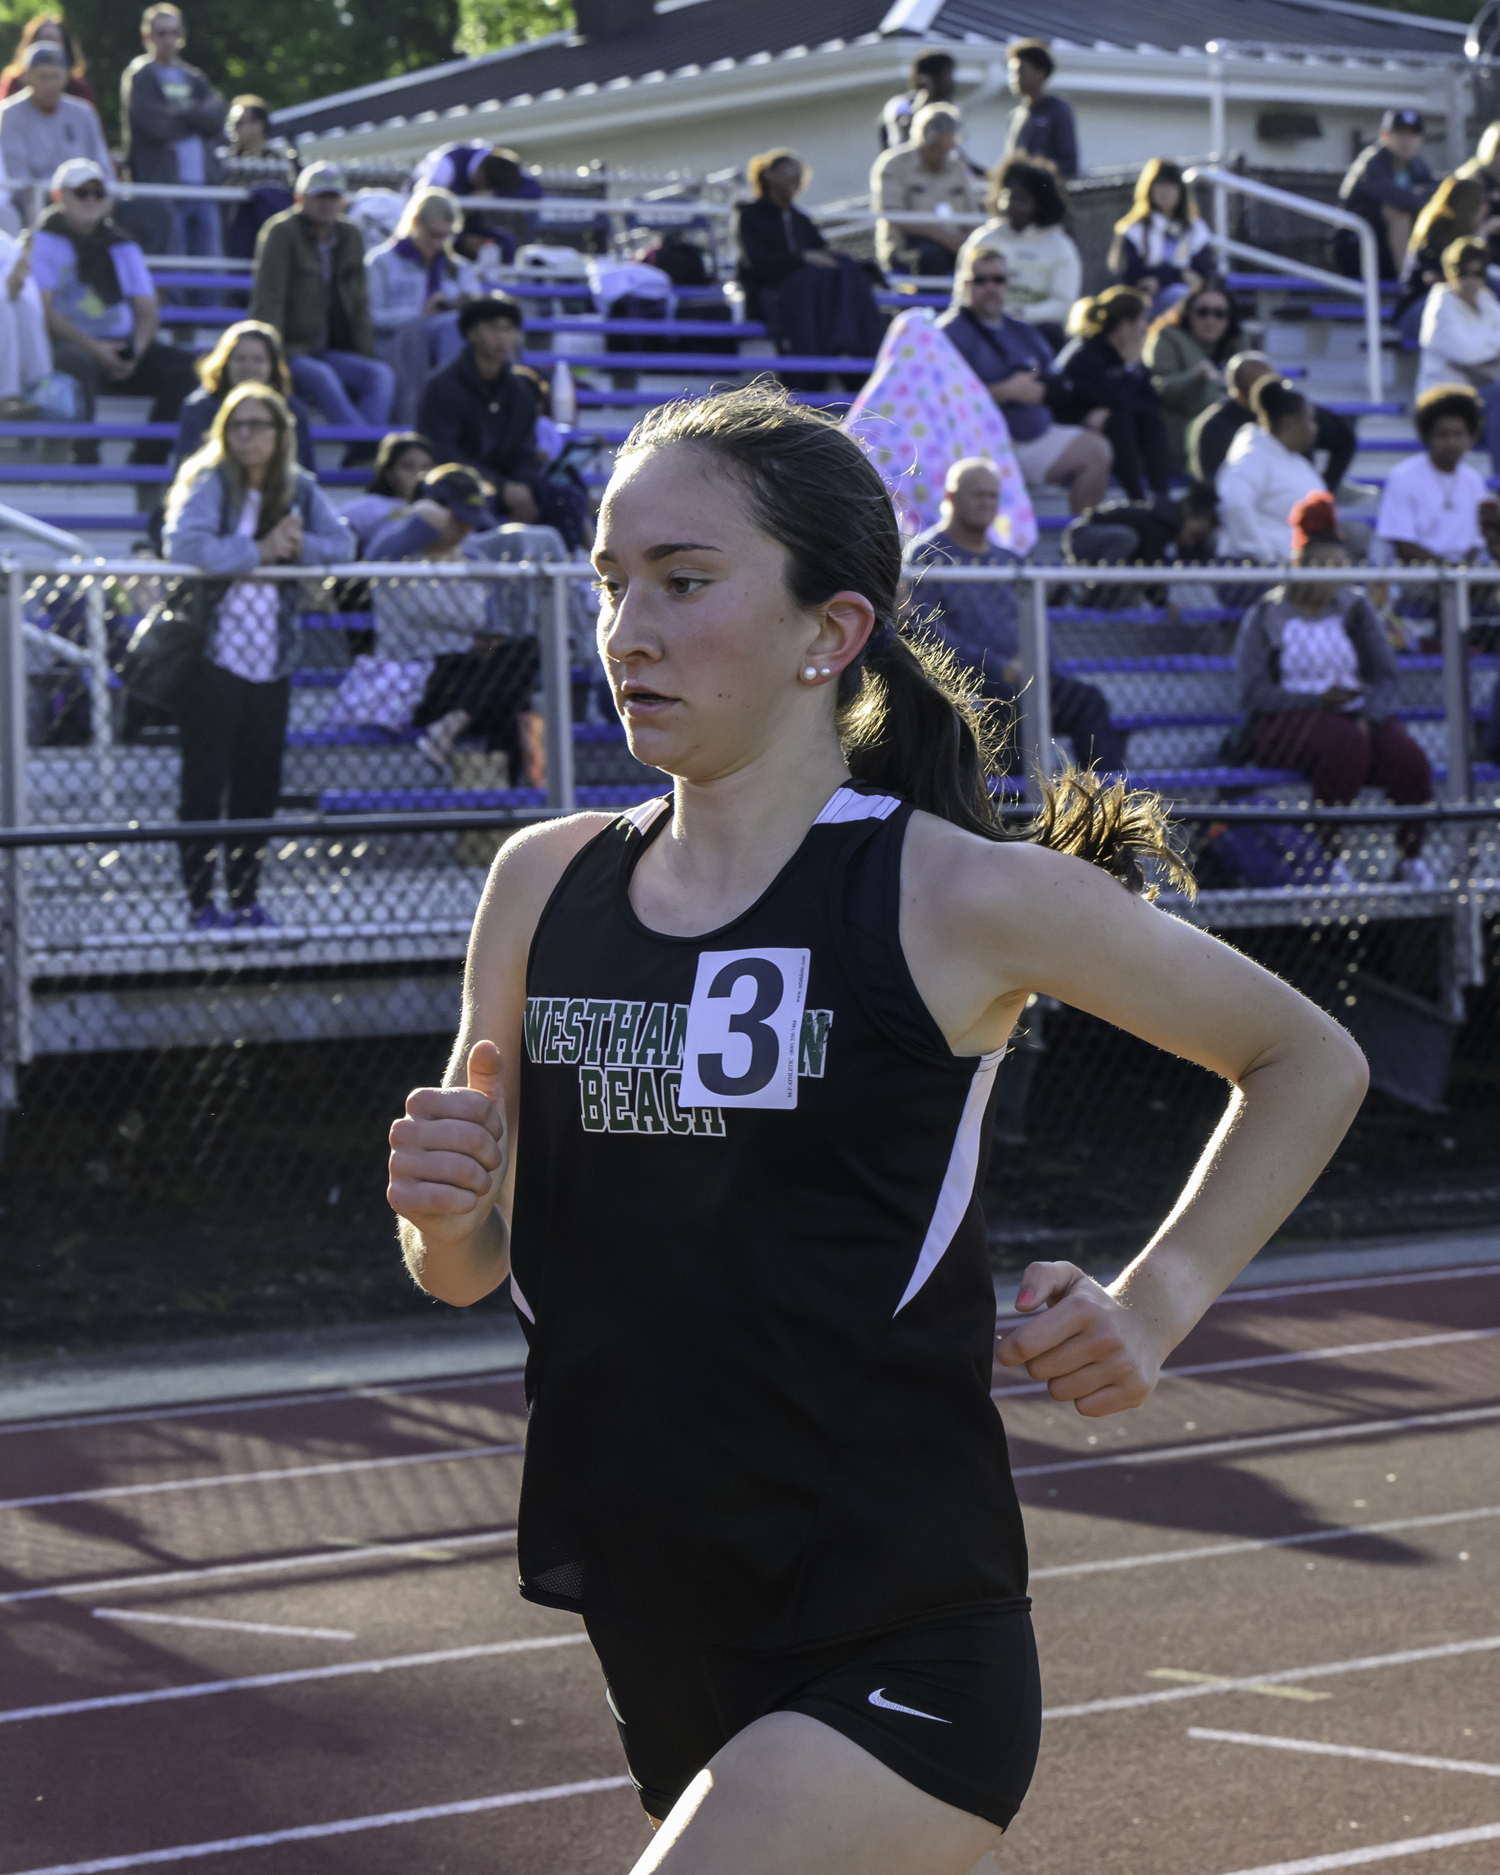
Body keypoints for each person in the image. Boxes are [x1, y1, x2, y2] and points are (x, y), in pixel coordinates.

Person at [387, 382, 1369, 1873]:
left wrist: (1156, 1302)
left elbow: (1305, 1053)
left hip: (895, 1624)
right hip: (657, 1604)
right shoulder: (542, 882)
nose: (627, 626)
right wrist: (445, 1212)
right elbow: (465, 1270)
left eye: (685, 580)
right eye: (610, 580)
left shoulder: (955, 891)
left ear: (828, 633)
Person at [162, 381, 352, 930]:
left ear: (279, 433)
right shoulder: (208, 480)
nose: (245, 435)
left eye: (257, 425)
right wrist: (260, 551)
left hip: (273, 661)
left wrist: (296, 547)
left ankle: (244, 898)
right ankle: (201, 904)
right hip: (212, 658)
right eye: (236, 425)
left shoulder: (299, 487)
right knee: (203, 786)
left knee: (257, 788)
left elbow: (342, 547)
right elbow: (184, 545)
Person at [1236, 492, 1435, 887]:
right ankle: (1328, 858)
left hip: (1354, 715)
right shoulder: (1267, 614)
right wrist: (1317, 701)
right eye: (1321, 566)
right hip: (1285, 721)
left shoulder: (1356, 609)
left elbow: (1386, 675)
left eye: (1337, 565)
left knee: (1409, 758)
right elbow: (1253, 692)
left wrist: (1366, 715)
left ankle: (1411, 856)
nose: (1331, 575)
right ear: (1301, 566)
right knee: (1345, 745)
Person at [909, 457, 1126, 774]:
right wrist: (997, 667)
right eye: (977, 495)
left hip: (1029, 680)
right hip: (974, 686)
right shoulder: (928, 555)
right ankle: (1020, 814)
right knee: (1011, 711)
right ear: (952, 498)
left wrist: (1035, 660)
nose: (987, 502)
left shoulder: (1008, 558)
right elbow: (928, 629)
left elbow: (1037, 619)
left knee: (1088, 701)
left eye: (993, 495)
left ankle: (1107, 806)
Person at [355, 464, 543, 779]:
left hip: (467, 679)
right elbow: (373, 560)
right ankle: (506, 801)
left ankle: (451, 728)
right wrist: (422, 518)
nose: (465, 529)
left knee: (525, 651)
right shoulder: (399, 551)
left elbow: (492, 627)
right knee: (507, 699)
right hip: (416, 680)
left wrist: (489, 641)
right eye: (457, 518)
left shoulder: (474, 561)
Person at [33, 158, 198, 474]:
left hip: (121, 347)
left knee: (190, 369)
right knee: (74, 363)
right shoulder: (42, 242)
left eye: (99, 192)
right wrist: (96, 350)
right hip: (71, 346)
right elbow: (45, 312)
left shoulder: (122, 245)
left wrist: (133, 352)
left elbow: (147, 311)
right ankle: (85, 462)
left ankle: (147, 460)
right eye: (82, 192)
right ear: (60, 196)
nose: (91, 199)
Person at [935, 248, 1111, 513]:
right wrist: (1002, 391)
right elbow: (938, 399)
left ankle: (1083, 542)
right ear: (965, 285)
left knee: (1097, 450)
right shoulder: (945, 333)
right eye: (980, 280)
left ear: (1007, 284)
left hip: (1032, 437)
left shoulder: (1023, 330)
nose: (990, 287)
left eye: (998, 279)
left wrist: (1046, 392)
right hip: (976, 445)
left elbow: (1058, 384)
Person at [418, 294, 589, 548]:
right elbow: (442, 452)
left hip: (513, 487)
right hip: (457, 485)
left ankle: (569, 577)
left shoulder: (520, 390)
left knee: (567, 497)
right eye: (492, 327)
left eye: (508, 328)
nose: (501, 337)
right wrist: (501, 487)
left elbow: (525, 451)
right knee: (474, 502)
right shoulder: (442, 386)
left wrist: (522, 487)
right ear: (471, 333)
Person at [248, 162, 395, 435]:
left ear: (343, 202)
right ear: (300, 199)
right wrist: (273, 360)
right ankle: (367, 449)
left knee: (380, 375)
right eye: (320, 197)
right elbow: (269, 301)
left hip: (334, 349)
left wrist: (364, 354)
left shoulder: (350, 235)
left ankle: (360, 453)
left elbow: (359, 303)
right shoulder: (281, 232)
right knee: (321, 376)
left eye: (334, 197)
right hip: (293, 349)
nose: (328, 205)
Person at [735, 149, 884, 361]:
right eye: (788, 171)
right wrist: (801, 258)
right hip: (771, 294)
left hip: (811, 294)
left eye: (799, 173)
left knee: (845, 269)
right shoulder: (749, 215)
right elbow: (758, 263)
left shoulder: (800, 219)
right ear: (769, 175)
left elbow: (820, 250)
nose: (795, 178)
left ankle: (858, 355)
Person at [120, 4, 227, 260]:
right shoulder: (140, 76)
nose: (168, 40)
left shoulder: (195, 77)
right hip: (162, 190)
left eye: (173, 33)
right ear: (148, 36)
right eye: (161, 33)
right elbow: (155, 126)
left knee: (210, 268)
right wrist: (196, 118)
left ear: (182, 35)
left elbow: (216, 119)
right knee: (172, 267)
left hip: (203, 187)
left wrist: (180, 112)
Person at [365, 186, 478, 425]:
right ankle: (451, 411)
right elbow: (371, 317)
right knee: (449, 326)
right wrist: (421, 313)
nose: (438, 243)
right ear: (415, 223)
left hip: (443, 344)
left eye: (445, 236)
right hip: (396, 345)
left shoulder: (457, 268)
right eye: (433, 234)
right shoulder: (381, 262)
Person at [1052, 288, 1172, 502]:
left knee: (1151, 419)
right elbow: (1099, 398)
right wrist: (1127, 372)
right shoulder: (1085, 353)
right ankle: (1137, 499)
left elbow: (1152, 401)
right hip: (1073, 428)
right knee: (1119, 419)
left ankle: (1162, 497)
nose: (1144, 328)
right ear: (1125, 324)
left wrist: (1130, 368)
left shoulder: (1126, 356)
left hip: (1109, 425)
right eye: (1141, 320)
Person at [1189, 350, 1357, 497]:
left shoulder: (1296, 413)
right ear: (1237, 394)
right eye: (1257, 390)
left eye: (1274, 387)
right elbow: (1224, 496)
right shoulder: (1220, 430)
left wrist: (1325, 491)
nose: (1269, 396)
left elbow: (1345, 439)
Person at [955, 157, 1080, 350]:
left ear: (1040, 202)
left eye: (1022, 198)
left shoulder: (1059, 245)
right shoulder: (983, 238)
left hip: (1034, 331)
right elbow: (961, 293)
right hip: (984, 329)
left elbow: (1063, 305)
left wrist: (1018, 315)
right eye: (1009, 196)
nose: (1013, 204)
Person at [1375, 383, 1500, 570]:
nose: (1452, 442)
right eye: (1443, 434)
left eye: (1459, 434)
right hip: (1417, 575)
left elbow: (1475, 544)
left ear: (1471, 437)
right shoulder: (1404, 476)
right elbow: (1402, 544)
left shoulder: (1473, 479)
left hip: (1464, 574)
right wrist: (1449, 571)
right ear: (1428, 436)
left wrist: (1463, 573)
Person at [174, 319, 315, 471]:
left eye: (258, 360)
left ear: (273, 366)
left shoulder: (292, 410)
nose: (249, 367)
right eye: (240, 359)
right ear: (225, 363)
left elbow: (305, 469)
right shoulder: (199, 407)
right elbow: (186, 468)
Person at [1215, 378, 1327, 564]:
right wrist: (1264, 556)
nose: (1316, 429)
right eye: (1310, 420)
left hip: (1293, 570)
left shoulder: (1294, 459)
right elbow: (1234, 502)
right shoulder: (1253, 454)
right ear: (1290, 421)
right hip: (1254, 573)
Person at [1416, 236, 1500, 473]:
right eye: (1463, 272)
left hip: (1478, 400)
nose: (1471, 280)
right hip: (1441, 402)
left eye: (1478, 272)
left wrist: (1483, 357)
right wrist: (1492, 351)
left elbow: (1473, 357)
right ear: (1451, 273)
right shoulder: (1440, 305)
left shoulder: (1487, 301)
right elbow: (1467, 354)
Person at [871, 103, 978, 278]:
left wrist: (969, 239)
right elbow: (891, 214)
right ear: (923, 141)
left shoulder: (957, 167)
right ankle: (926, 306)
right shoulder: (894, 165)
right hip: (908, 246)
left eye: (949, 147)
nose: (943, 154)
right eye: (936, 147)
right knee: (931, 257)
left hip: (955, 241)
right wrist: (942, 237)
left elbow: (972, 215)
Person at [1144, 282, 1240, 470]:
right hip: (1178, 435)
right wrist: (1195, 377)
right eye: (1202, 312)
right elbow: (1156, 387)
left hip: (1226, 431)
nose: (1210, 320)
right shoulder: (1167, 339)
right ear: (1188, 312)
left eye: (1220, 314)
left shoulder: (1237, 344)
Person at [1336, 107, 1435, 280]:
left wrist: (1420, 195)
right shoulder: (1371, 161)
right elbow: (1394, 196)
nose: (1407, 140)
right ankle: (1407, 280)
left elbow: (1437, 194)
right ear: (1386, 135)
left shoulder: (1418, 166)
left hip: (1387, 253)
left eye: (1413, 134)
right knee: (1398, 212)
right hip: (1357, 247)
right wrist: (1416, 195)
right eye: (1400, 133)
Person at [1393, 176, 1495, 342]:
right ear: (1468, 205)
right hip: (1417, 309)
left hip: (1444, 309)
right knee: (1488, 289)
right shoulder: (1438, 230)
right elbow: (1455, 277)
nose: (1486, 209)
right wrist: (1480, 236)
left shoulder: (1463, 231)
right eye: (1480, 203)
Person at [0, 41, 112, 191]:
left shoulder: (84, 113)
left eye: (55, 76)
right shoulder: (10, 114)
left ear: (66, 77)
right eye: (43, 77)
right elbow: (17, 178)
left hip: (85, 202)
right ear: (25, 76)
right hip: (33, 208)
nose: (50, 84)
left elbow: (103, 169)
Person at [1063, 482, 1219, 587]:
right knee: (1127, 538)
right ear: (1188, 511)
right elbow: (1152, 567)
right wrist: (1164, 603)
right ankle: (1100, 588)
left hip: (1096, 542)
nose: (1192, 542)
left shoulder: (1168, 523)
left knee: (1129, 587)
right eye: (1196, 535)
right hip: (1082, 535)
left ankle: (1104, 594)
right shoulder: (1161, 522)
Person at [1109, 160, 1214, 316]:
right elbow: (1131, 275)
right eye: (1160, 185)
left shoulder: (1196, 229)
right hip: (1144, 306)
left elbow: (1201, 275)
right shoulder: (1133, 229)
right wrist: (1178, 275)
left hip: (1188, 306)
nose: (1166, 191)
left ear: (1181, 190)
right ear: (1148, 189)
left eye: (1171, 185)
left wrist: (1161, 278)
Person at [413, 141, 542, 264]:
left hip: (470, 229)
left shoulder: (500, 165)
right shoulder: (446, 165)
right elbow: (425, 213)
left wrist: (494, 196)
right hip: (438, 232)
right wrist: (461, 237)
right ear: (480, 177)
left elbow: (534, 190)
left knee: (505, 244)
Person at [341, 430, 437, 552]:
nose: (419, 475)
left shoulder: (448, 512)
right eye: (408, 466)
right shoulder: (369, 507)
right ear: (388, 472)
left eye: (426, 467)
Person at [1003, 39, 1077, 180]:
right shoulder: (1015, 116)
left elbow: (1068, 164)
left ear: (1040, 73)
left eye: (1020, 71)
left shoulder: (1058, 110)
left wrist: (1036, 170)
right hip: (1020, 196)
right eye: (1011, 73)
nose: (1014, 79)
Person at [0, 220, 49, 396]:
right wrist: (6, 289)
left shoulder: (4, 244)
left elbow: (26, 291)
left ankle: (41, 396)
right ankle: (6, 399)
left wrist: (12, 288)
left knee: (25, 307)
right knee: (2, 309)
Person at [0, 14, 95, 104]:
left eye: (52, 39)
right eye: (42, 38)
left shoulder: (78, 88)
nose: (47, 44)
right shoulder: (15, 83)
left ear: (65, 45)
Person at [877, 51, 958, 153]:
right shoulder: (901, 105)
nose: (953, 82)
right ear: (927, 79)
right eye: (948, 75)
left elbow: (953, 155)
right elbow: (903, 146)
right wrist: (925, 97)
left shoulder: (947, 111)